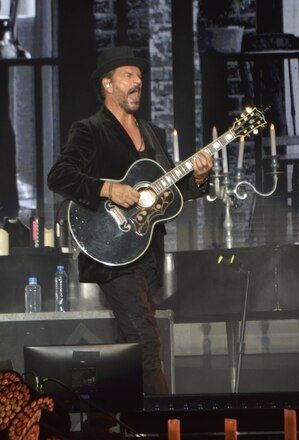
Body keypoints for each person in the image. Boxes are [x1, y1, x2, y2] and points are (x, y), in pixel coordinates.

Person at [48, 46, 213, 395]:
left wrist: (198, 177)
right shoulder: (90, 129)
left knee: (131, 347)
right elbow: (59, 177)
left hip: (147, 254)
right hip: (112, 255)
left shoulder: (149, 131)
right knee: (145, 343)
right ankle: (162, 426)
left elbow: (172, 190)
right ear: (108, 84)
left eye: (140, 77)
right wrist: (107, 188)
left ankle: (114, 421)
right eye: (128, 76)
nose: (138, 82)